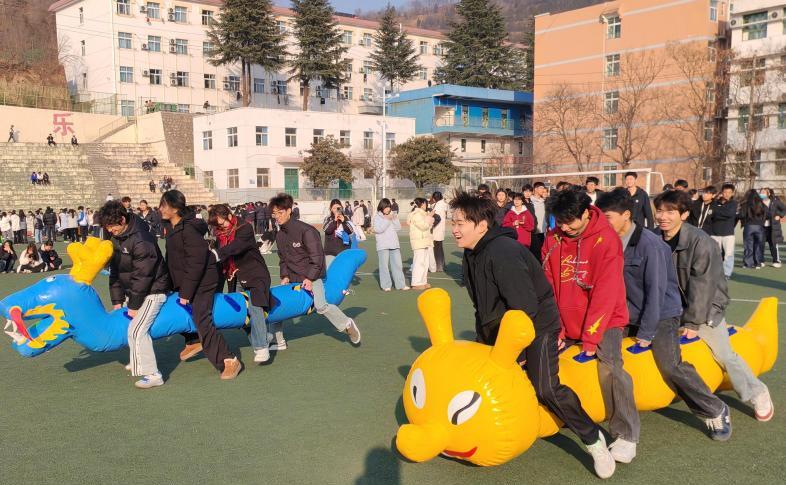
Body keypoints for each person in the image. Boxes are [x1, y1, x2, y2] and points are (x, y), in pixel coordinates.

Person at [451, 192, 616, 479]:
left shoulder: (503, 253)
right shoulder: (472, 252)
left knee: (545, 387)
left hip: (537, 324)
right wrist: (483, 342)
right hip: (501, 326)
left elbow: (525, 307)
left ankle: (593, 438)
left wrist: (520, 352)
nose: (454, 229)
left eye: (460, 223)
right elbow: (482, 306)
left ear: (482, 226)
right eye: (453, 222)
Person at [597, 189, 730, 445]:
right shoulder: (606, 241)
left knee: (669, 364)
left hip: (661, 315)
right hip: (626, 314)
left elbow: (656, 293)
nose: (602, 222)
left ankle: (713, 408)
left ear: (626, 215)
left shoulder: (650, 244)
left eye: (607, 217)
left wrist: (647, 332)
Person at [654, 190, 773, 424]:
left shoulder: (700, 241)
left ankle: (757, 392)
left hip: (706, 307)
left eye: (670, 212)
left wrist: (692, 322)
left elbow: (703, 285)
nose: (663, 217)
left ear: (684, 214)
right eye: (659, 211)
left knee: (724, 355)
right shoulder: (653, 238)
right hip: (669, 308)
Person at [541, 188, 636, 464]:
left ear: (585, 213)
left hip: (605, 320)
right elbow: (547, 285)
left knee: (610, 367)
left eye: (570, 221)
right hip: (564, 318)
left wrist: (591, 339)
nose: (564, 227)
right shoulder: (553, 239)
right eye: (559, 221)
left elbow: (606, 292)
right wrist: (556, 327)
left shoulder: (607, 239)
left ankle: (626, 434)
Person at [159, 190, 242, 380]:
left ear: (175, 208)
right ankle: (193, 339)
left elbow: (196, 263)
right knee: (173, 306)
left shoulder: (188, 229)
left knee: (201, 318)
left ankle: (228, 360)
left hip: (204, 279)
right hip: (186, 279)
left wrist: (186, 292)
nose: (160, 209)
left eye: (164, 205)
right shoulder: (171, 227)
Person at [270, 193, 361, 346]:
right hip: (292, 277)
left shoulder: (306, 231)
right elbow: (283, 259)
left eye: (280, 212)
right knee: (278, 304)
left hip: (313, 276)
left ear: (289, 211)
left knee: (321, 305)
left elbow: (317, 258)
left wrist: (309, 278)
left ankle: (346, 324)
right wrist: (284, 276)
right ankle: (277, 341)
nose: (277, 216)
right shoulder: (279, 235)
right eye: (274, 213)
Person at [98, 201, 171, 388]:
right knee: (129, 326)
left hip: (154, 289)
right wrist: (117, 299)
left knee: (137, 330)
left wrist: (134, 305)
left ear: (122, 220)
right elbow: (115, 270)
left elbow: (143, 275)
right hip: (135, 290)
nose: (110, 230)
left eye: (112, 226)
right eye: (107, 227)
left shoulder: (141, 239)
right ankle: (138, 359)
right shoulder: (116, 236)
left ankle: (153, 374)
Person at [208, 204, 272, 364]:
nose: (220, 228)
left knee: (255, 306)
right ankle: (263, 335)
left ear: (229, 216)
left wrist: (216, 254)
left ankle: (262, 346)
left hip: (254, 272)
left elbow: (235, 247)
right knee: (241, 313)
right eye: (217, 226)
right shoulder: (219, 235)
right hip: (233, 276)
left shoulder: (245, 228)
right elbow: (221, 261)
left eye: (221, 224)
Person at [373, 198, 409, 291]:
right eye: (386, 207)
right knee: (384, 266)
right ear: (382, 207)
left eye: (389, 207)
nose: (388, 209)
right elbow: (378, 229)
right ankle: (386, 285)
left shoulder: (392, 215)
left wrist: (395, 219)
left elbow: (398, 228)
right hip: (383, 245)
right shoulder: (377, 217)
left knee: (398, 265)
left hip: (394, 243)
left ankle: (400, 285)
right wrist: (387, 220)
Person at [710, 183, 738, 279]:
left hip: (728, 233)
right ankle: (715, 272)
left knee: (728, 255)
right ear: (722, 192)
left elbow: (729, 214)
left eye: (729, 192)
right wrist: (719, 212)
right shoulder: (714, 202)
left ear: (733, 193)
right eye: (725, 192)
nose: (727, 194)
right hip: (714, 233)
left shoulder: (733, 203)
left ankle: (726, 273)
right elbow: (712, 214)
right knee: (715, 254)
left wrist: (717, 212)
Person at [408, 198, 434, 290]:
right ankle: (416, 283)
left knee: (425, 263)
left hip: (425, 241)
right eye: (425, 204)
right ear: (422, 204)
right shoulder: (416, 214)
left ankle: (423, 281)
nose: (426, 205)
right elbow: (423, 226)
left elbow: (428, 226)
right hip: (419, 241)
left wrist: (429, 217)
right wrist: (429, 217)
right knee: (419, 263)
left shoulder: (423, 214)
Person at [739, 189, 767, 269]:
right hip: (759, 227)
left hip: (748, 226)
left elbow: (742, 215)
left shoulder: (745, 204)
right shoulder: (761, 203)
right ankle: (757, 263)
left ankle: (748, 263)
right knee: (758, 245)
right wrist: (762, 222)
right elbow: (767, 214)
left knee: (748, 245)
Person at [760, 187, 784, 267]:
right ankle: (761, 260)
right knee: (761, 244)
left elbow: (784, 209)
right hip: (762, 227)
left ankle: (776, 261)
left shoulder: (775, 202)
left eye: (763, 192)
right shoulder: (758, 203)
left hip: (773, 227)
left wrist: (779, 215)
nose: (761, 194)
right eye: (761, 192)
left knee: (773, 244)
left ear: (768, 194)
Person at [431, 192, 448, 272]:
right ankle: (441, 265)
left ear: (435, 198)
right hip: (440, 228)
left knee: (437, 248)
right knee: (439, 248)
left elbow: (435, 216)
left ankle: (439, 266)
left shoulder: (438, 205)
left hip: (437, 228)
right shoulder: (443, 204)